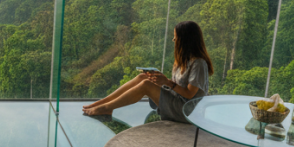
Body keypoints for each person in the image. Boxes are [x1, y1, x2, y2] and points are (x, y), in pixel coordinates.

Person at [82, 20, 213, 122]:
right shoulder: (183, 60)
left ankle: (106, 108)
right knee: (143, 78)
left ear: (185, 41)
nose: (174, 41)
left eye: (175, 38)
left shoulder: (198, 63)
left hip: (188, 111)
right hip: (178, 101)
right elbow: (177, 86)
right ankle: (103, 103)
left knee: (146, 85)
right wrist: (161, 80)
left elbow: (189, 94)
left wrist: (166, 82)